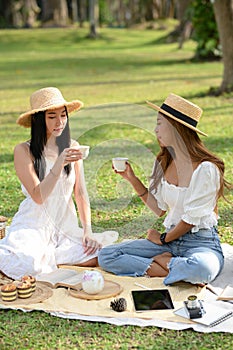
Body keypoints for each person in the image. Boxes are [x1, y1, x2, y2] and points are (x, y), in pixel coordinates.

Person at [98, 93, 231, 286]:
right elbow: (159, 208)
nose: (155, 130)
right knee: (107, 255)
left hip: (200, 243)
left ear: (177, 128)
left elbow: (189, 220)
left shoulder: (206, 169)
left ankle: (162, 264)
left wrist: (162, 238)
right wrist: (132, 178)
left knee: (202, 269)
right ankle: (171, 266)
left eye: (160, 124)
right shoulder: (163, 161)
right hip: (168, 242)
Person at [0, 87, 117, 280]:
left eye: (63, 115)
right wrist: (59, 163)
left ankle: (55, 257)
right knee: (28, 264)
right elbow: (38, 196)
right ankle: (45, 257)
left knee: (99, 253)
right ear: (39, 120)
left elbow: (80, 192)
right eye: (52, 116)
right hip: (34, 224)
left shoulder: (72, 146)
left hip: (65, 226)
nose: (60, 122)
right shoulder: (23, 150)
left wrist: (88, 230)